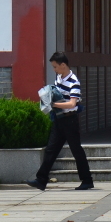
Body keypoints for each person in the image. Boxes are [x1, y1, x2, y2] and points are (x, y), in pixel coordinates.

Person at [26, 52, 93, 191]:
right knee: (51, 149)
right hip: (59, 119)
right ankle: (41, 180)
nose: (54, 70)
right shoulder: (59, 78)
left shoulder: (73, 81)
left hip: (70, 120)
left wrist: (53, 104)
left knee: (76, 150)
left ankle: (87, 180)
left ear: (63, 65)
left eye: (55, 67)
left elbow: (72, 104)